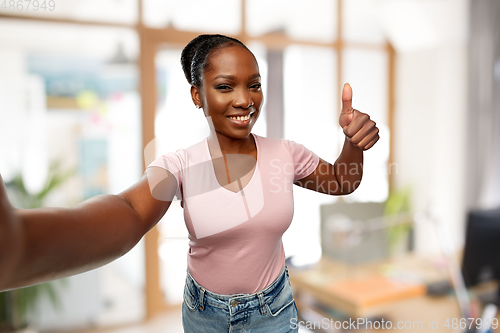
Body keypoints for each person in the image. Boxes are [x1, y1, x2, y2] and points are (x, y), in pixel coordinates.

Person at [0, 34, 379, 332]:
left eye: (255, 84)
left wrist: (353, 144)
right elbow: (131, 211)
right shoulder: (180, 164)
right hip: (205, 313)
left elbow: (341, 182)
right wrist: (20, 243)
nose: (245, 100)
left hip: (274, 309)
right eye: (225, 86)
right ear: (197, 95)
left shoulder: (285, 153)